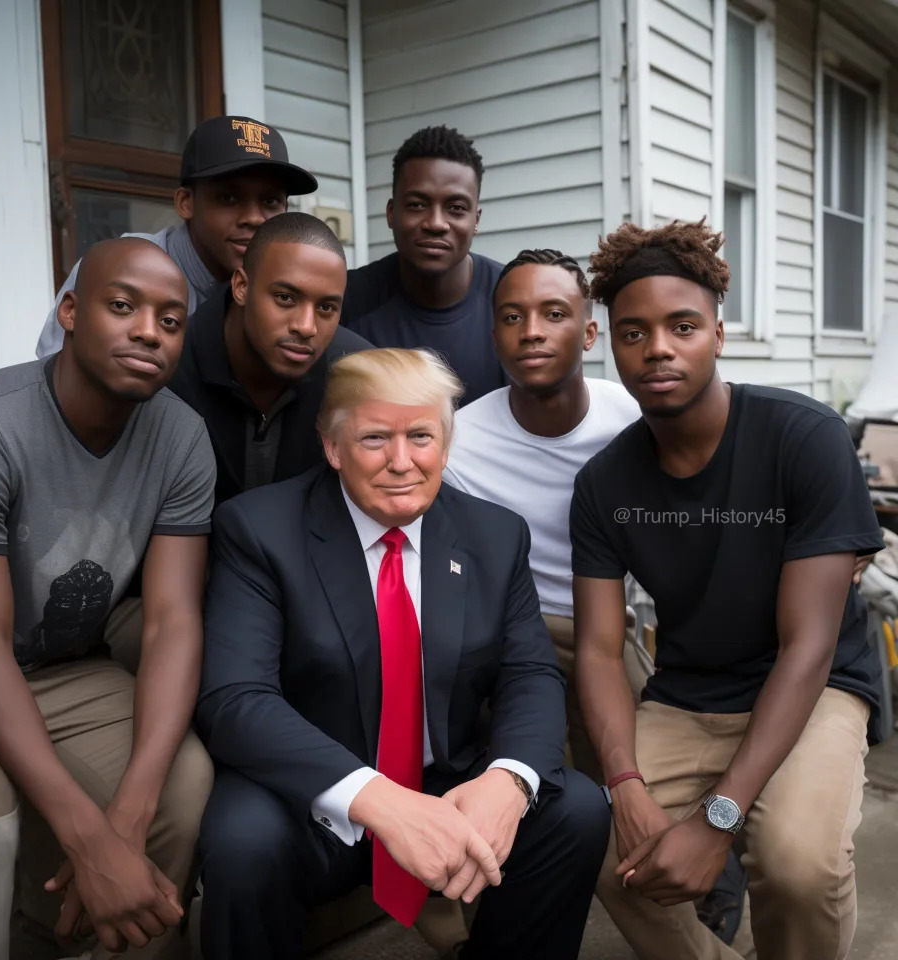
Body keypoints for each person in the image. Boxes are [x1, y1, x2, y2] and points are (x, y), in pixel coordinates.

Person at [194, 348, 611, 960]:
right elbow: (235, 700)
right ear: (332, 446)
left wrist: (507, 782)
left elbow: (530, 674)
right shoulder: (258, 531)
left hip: (445, 782)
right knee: (242, 843)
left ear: (445, 443)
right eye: (373, 438)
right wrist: (378, 801)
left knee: (572, 810)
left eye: (421, 436)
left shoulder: (495, 535)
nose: (401, 461)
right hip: (314, 796)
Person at [569, 220, 884, 960]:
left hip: (814, 687)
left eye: (682, 326)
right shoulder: (604, 482)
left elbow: (807, 646)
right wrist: (625, 785)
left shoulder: (803, 437)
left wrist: (718, 820)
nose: (658, 350)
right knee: (602, 847)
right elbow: (598, 650)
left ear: (717, 331)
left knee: (797, 865)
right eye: (633, 333)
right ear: (611, 345)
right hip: (689, 694)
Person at [0, 238, 217, 960]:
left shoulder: (181, 438)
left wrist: (127, 818)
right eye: (122, 306)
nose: (149, 331)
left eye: (171, 319)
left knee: (182, 782)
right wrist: (90, 840)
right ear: (69, 311)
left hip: (62, 667)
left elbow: (171, 622)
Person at [442, 248, 645, 772]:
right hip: (514, 632)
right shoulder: (459, 441)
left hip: (608, 622)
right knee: (541, 786)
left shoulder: (632, 416)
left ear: (590, 333)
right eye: (512, 317)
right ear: (494, 338)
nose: (531, 331)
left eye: (554, 314)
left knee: (639, 772)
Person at [35, 116, 318, 358]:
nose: (254, 218)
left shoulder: (286, 290)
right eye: (229, 197)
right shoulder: (119, 268)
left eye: (270, 202)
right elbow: (58, 376)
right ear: (186, 202)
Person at [169, 211, 371, 505]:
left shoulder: (358, 376)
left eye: (326, 307)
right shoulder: (172, 366)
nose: (306, 326)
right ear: (242, 287)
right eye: (285, 298)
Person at [340, 126, 506, 405]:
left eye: (456, 208)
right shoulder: (346, 300)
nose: (436, 224)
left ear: (476, 220)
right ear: (392, 213)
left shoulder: (510, 300)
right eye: (417, 205)